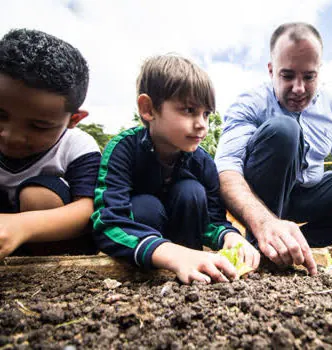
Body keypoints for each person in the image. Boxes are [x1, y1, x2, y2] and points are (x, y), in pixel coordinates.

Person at [215, 22, 332, 275]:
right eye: (287, 76)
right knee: (284, 130)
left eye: (308, 77)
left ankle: (295, 244)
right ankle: (263, 241)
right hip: (261, 197)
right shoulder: (250, 103)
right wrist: (264, 222)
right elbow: (226, 170)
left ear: (319, 72)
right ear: (271, 70)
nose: (299, 88)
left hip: (307, 194)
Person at [91, 54, 260, 284]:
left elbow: (212, 220)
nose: (202, 124)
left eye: (206, 114)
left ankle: (193, 272)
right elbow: (108, 223)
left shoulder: (203, 163)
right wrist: (171, 254)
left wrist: (230, 237)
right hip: (144, 258)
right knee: (145, 206)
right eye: (189, 110)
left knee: (191, 191)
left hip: (189, 256)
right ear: (148, 109)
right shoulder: (123, 149)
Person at [0, 29, 101, 259]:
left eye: (38, 126)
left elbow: (89, 209)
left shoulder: (77, 147)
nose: (11, 136)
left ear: (73, 120)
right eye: (0, 115)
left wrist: (21, 226)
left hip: (50, 242)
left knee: (39, 195)